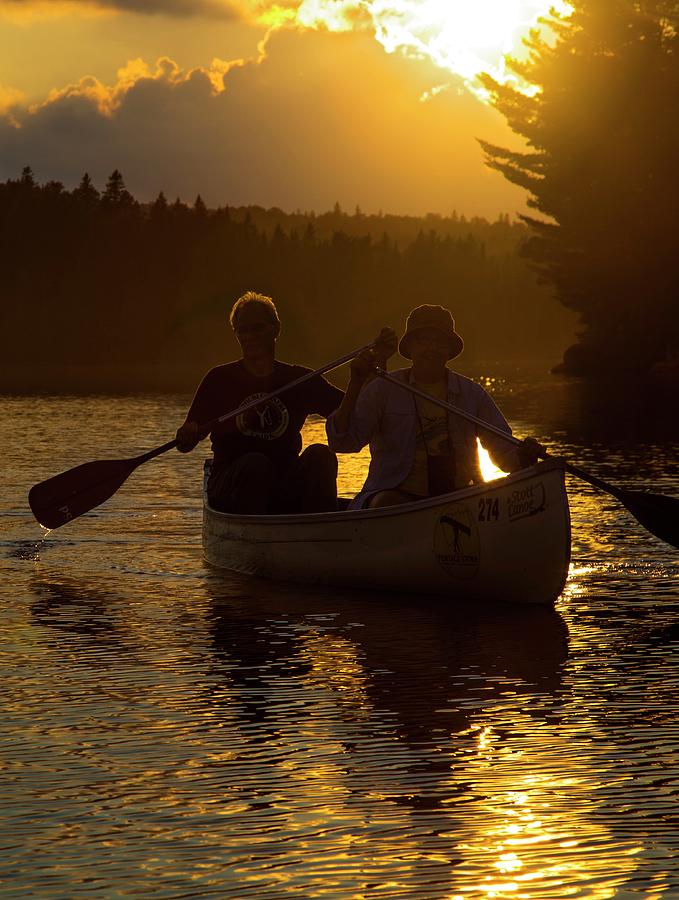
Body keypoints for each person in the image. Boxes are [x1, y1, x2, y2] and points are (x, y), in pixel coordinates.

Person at [176, 291, 396, 514]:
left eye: (257, 328)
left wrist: (365, 377)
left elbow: (351, 413)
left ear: (276, 329)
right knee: (255, 463)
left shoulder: (299, 380)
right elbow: (185, 445)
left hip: (284, 481)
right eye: (243, 330)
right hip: (232, 485)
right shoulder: (219, 379)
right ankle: (256, 533)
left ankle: (323, 531)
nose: (250, 336)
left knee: (321, 455)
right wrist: (187, 434)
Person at [326, 304, 542, 509]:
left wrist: (526, 456)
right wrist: (355, 382)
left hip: (459, 495)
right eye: (424, 340)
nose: (432, 348)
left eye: (440, 342)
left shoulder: (472, 394)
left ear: (449, 350)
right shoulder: (382, 389)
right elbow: (343, 442)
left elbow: (506, 454)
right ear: (410, 347)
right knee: (389, 503)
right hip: (392, 495)